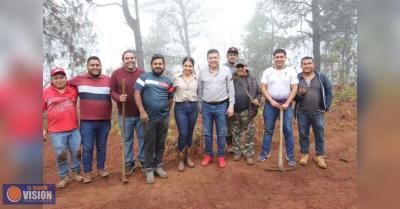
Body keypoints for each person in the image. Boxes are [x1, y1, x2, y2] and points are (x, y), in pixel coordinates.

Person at [70, 56, 112, 183]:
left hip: (105, 120)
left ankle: (101, 168)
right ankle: (87, 172)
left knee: (102, 146)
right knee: (87, 147)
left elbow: (116, 91)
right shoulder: (79, 79)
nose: (95, 67)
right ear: (87, 66)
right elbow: (63, 85)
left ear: (101, 66)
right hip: (86, 121)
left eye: (97, 65)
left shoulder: (108, 80)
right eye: (92, 65)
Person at [134, 54, 173, 184]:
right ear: (151, 65)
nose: (158, 66)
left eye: (160, 64)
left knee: (161, 144)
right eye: (155, 63)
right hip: (148, 118)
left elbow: (170, 98)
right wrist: (142, 111)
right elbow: (136, 93)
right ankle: (149, 169)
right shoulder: (144, 77)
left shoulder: (168, 81)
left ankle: (158, 166)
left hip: (163, 118)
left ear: (164, 65)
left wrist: (167, 111)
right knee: (149, 143)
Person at [42, 67, 83, 188]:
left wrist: (71, 82)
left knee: (76, 152)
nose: (59, 80)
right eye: (56, 78)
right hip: (56, 131)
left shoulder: (73, 90)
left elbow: (81, 81)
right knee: (61, 154)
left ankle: (76, 172)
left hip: (74, 128)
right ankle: (64, 176)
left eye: (62, 77)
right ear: (51, 80)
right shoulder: (45, 92)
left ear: (66, 78)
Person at [258, 49, 298, 167]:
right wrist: (271, 101)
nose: (279, 59)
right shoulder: (267, 71)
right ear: (273, 58)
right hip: (270, 105)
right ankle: (265, 152)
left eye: (282, 57)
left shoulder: (291, 71)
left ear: (285, 57)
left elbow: (294, 88)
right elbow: (263, 87)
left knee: (288, 130)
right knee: (269, 130)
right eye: (277, 57)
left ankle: (290, 156)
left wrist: (287, 102)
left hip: (286, 105)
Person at [198, 49, 235, 168]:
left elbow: (231, 89)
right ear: (207, 59)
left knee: (221, 132)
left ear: (219, 58)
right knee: (207, 133)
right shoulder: (202, 72)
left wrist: (231, 105)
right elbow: (200, 90)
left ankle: (221, 156)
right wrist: (200, 106)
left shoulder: (226, 71)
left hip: (222, 106)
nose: (213, 60)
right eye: (211, 58)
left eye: (215, 57)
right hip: (207, 106)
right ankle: (208, 155)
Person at [111, 50, 145, 175]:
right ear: (123, 60)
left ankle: (142, 160)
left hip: (141, 114)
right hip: (124, 115)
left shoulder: (142, 73)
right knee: (127, 139)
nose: (130, 60)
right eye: (127, 58)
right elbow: (112, 91)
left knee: (143, 138)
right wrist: (118, 97)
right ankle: (129, 162)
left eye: (132, 57)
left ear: (135, 58)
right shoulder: (117, 73)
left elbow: (146, 90)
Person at [295, 56, 332, 168]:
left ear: (313, 65)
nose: (307, 65)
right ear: (301, 66)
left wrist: (327, 107)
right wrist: (300, 94)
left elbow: (329, 92)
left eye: (309, 63)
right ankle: (304, 154)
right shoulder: (297, 78)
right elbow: (293, 97)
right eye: (304, 64)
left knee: (319, 133)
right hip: (302, 112)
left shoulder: (321, 77)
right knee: (303, 133)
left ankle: (320, 156)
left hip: (318, 111)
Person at [231, 59, 261, 165]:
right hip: (234, 111)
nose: (240, 68)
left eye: (242, 66)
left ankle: (248, 154)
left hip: (247, 110)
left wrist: (257, 99)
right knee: (235, 133)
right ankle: (237, 152)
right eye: (238, 67)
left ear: (246, 67)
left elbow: (258, 93)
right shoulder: (232, 79)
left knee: (249, 133)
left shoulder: (252, 79)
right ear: (235, 68)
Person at [172, 57, 198, 172]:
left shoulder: (197, 78)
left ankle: (188, 157)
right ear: (182, 66)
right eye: (186, 65)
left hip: (193, 107)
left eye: (190, 66)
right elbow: (169, 91)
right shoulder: (176, 78)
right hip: (180, 108)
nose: (188, 68)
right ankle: (180, 159)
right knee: (183, 133)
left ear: (193, 67)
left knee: (190, 133)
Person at [223, 47, 239, 153]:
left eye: (234, 54)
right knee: (227, 123)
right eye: (230, 54)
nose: (232, 56)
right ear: (227, 56)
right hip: (225, 99)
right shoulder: (222, 68)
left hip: (238, 99)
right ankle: (228, 144)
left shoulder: (240, 67)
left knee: (237, 123)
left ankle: (237, 144)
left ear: (237, 57)